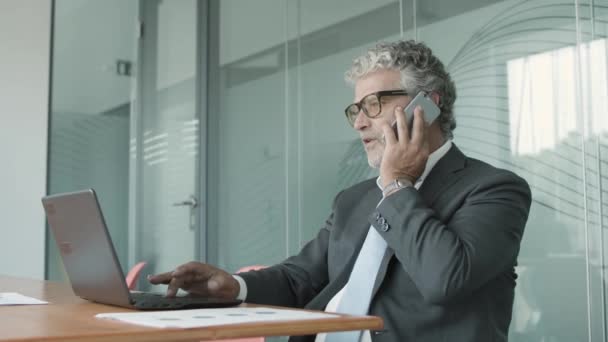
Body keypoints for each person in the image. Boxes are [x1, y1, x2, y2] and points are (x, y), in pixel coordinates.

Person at [149, 40, 532, 342]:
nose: (359, 123)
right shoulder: (354, 199)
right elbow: (301, 278)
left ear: (427, 106)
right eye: (356, 110)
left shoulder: (493, 189)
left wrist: (397, 184)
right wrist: (233, 285)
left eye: (374, 104)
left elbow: (444, 279)